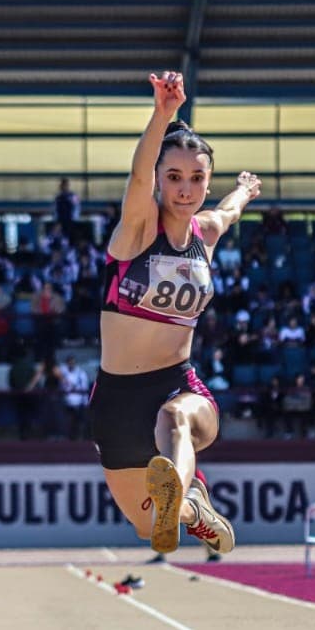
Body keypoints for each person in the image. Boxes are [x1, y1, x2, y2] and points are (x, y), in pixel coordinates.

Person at [92, 70, 255, 556]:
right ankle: (191, 507)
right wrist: (162, 114)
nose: (186, 189)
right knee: (149, 530)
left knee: (176, 420)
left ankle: (180, 497)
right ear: (160, 180)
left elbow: (228, 214)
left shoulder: (204, 234)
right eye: (175, 177)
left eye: (197, 178)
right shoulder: (137, 233)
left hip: (178, 383)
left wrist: (245, 189)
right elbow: (138, 176)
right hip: (117, 399)